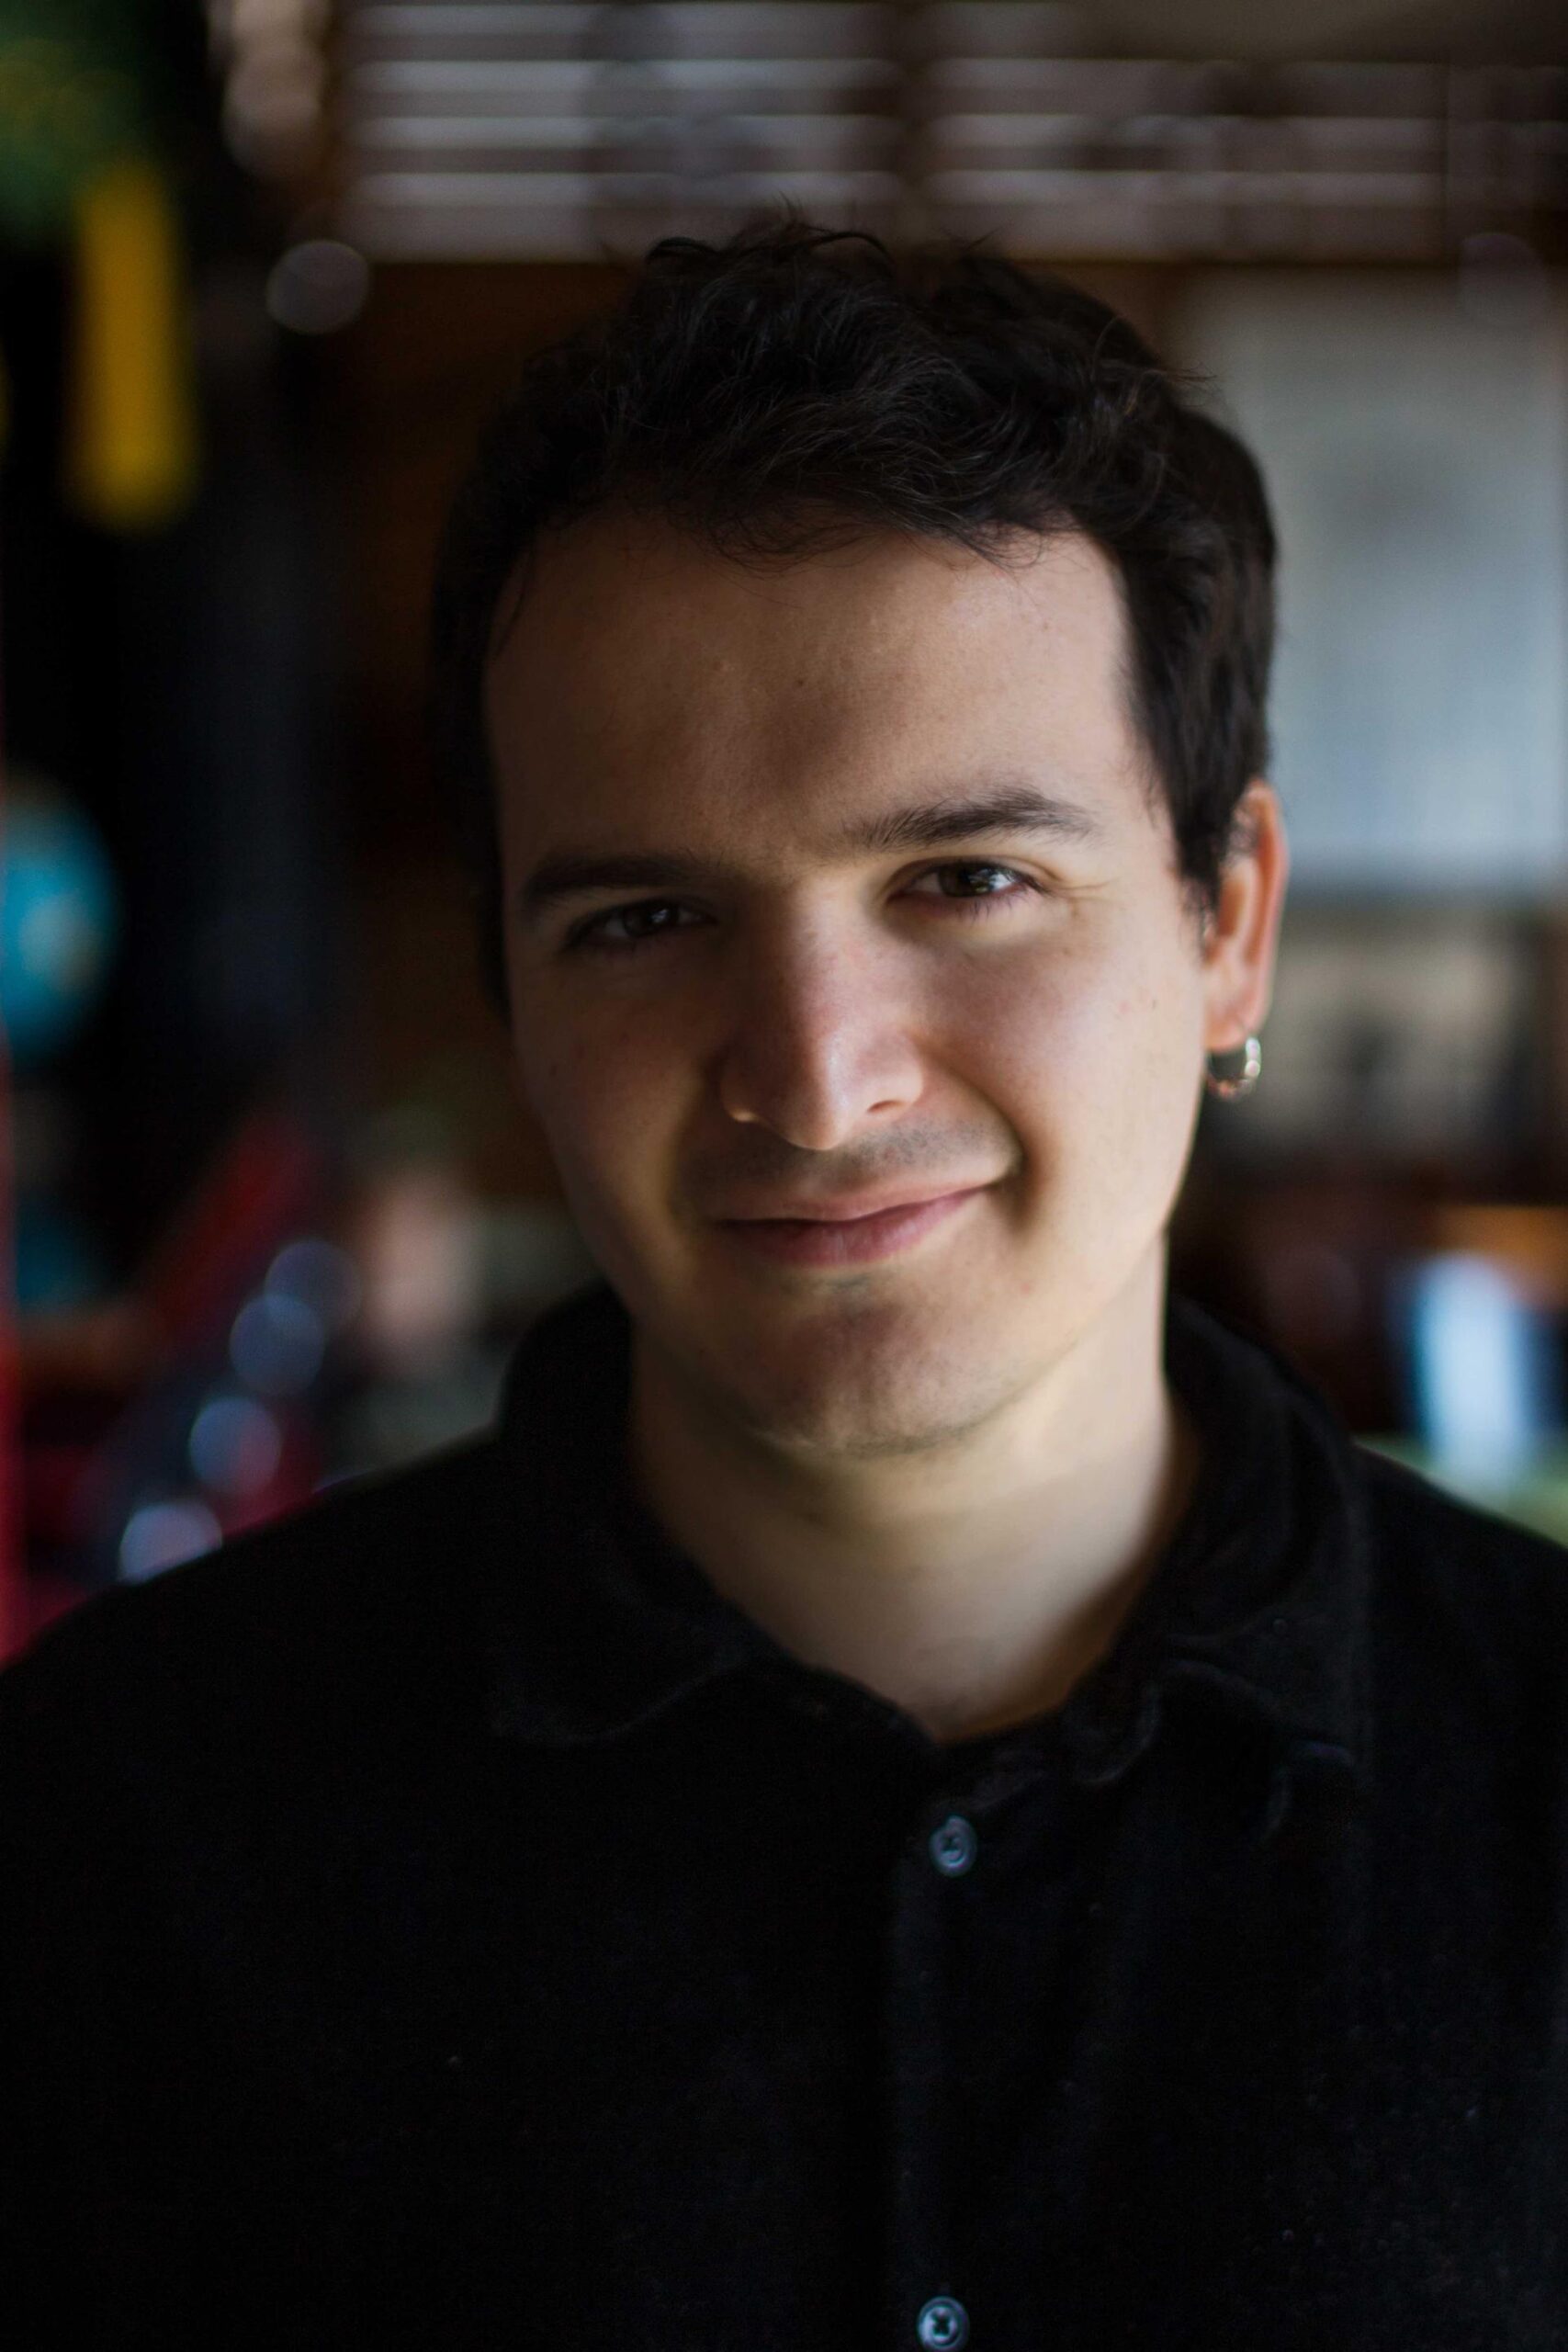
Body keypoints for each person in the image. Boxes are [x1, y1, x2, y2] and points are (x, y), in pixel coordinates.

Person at [5, 220, 1567, 2350]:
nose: (819, 1082)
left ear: (1226, 925)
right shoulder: (116, 1822)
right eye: (645, 920)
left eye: (965, 878)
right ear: (510, 989)